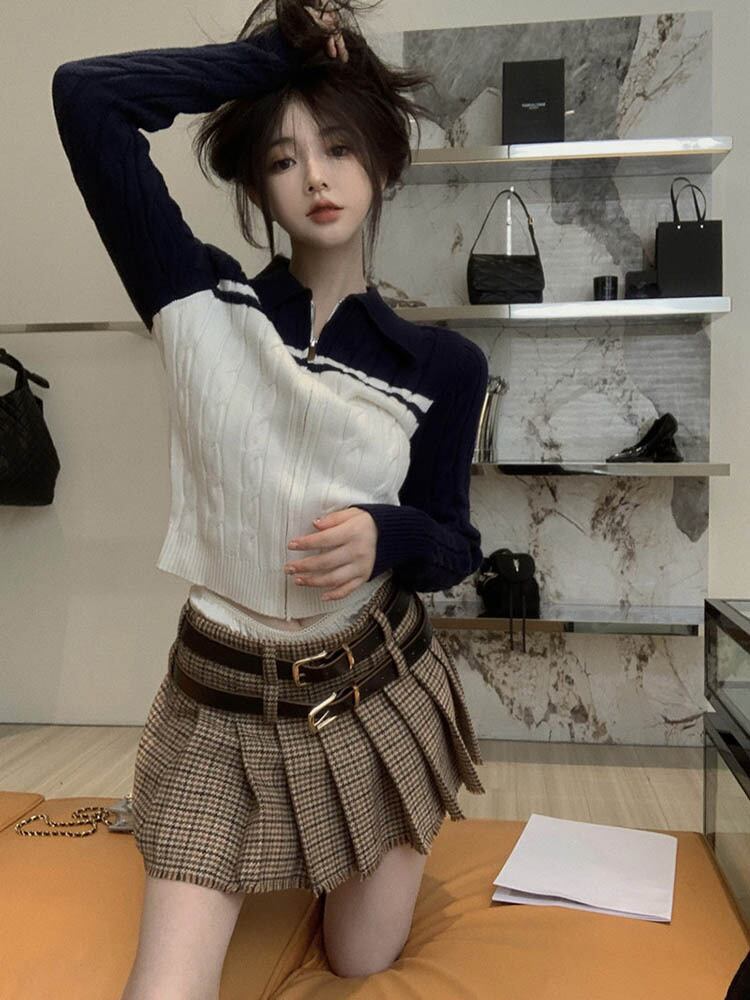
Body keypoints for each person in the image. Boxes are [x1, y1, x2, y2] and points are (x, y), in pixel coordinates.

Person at [51, 0, 489, 994]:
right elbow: (85, 98)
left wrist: (386, 533)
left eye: (340, 147)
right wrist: (269, 61)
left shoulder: (442, 364)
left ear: (382, 161)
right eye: (285, 158)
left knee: (359, 957)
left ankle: (351, 838)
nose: (317, 177)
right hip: (220, 703)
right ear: (256, 181)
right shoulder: (197, 301)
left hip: (375, 691)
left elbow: (454, 547)